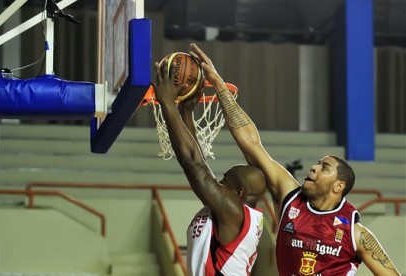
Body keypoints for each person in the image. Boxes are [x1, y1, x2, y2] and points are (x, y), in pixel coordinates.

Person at [189, 43, 401, 275]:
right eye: (318, 163)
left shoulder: (355, 232)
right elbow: (252, 144)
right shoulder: (291, 198)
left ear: (338, 185)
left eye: (324, 167)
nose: (313, 168)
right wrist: (219, 84)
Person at [152, 58, 267, 275]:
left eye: (224, 182)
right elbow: (201, 167)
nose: (218, 183)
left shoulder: (235, 213)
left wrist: (168, 104)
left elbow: (197, 169)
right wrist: (186, 112)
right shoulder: (236, 212)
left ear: (238, 193)